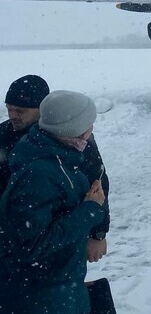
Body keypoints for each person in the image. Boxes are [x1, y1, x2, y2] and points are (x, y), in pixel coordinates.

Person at [0, 90, 107, 314]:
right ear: (75, 129)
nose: (91, 130)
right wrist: (89, 210)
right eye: (89, 124)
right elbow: (31, 246)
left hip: (60, 288)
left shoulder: (61, 158)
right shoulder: (39, 175)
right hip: (42, 299)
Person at [0, 75, 110, 260]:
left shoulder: (75, 140)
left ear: (41, 110)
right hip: (12, 236)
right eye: (8, 109)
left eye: (20, 110)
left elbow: (98, 185)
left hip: (60, 237)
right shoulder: (3, 135)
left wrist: (98, 234)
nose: (12, 116)